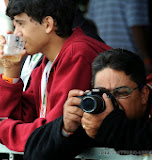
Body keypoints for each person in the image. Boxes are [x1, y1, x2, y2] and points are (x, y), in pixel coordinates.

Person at [0, 0, 112, 152]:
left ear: (48, 24)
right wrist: (11, 71)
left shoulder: (77, 54)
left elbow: (51, 132)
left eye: (21, 24)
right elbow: (20, 118)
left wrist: (3, 129)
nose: (16, 33)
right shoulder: (45, 65)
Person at [24, 48, 152, 160]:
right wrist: (65, 128)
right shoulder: (97, 118)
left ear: (144, 95)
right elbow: (33, 154)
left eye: (121, 93)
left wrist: (109, 127)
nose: (111, 101)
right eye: (103, 94)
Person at [87, 0, 152, 74]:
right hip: (129, 61)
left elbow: (91, 28)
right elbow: (137, 26)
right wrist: (147, 59)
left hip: (104, 61)